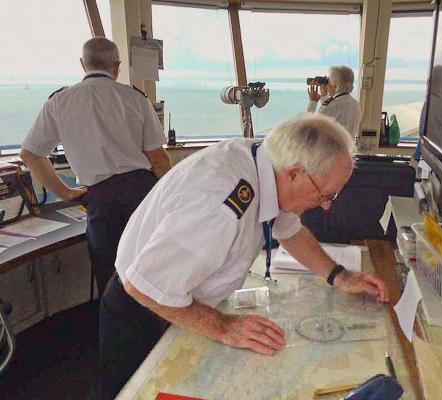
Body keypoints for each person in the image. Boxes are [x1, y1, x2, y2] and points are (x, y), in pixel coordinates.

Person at [100, 113, 390, 399]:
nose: (326, 206)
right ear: (293, 173)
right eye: (324, 195)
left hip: (183, 299)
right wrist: (224, 327)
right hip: (144, 311)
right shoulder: (217, 206)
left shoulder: (264, 160)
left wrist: (338, 275)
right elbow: (143, 285)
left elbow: (288, 230)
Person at [19, 37, 171, 296]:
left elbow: (30, 154)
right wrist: (170, 196)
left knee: (111, 276)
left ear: (83, 64)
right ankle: (163, 332)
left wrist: (66, 192)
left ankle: (116, 332)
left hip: (101, 198)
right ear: (117, 67)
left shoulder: (59, 101)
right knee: (153, 271)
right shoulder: (135, 98)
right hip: (142, 193)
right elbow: (157, 158)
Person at [307, 65, 361, 140]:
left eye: (328, 81)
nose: (327, 84)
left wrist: (312, 102)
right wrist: (324, 96)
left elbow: (308, 129)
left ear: (335, 85)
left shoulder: (331, 105)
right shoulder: (355, 104)